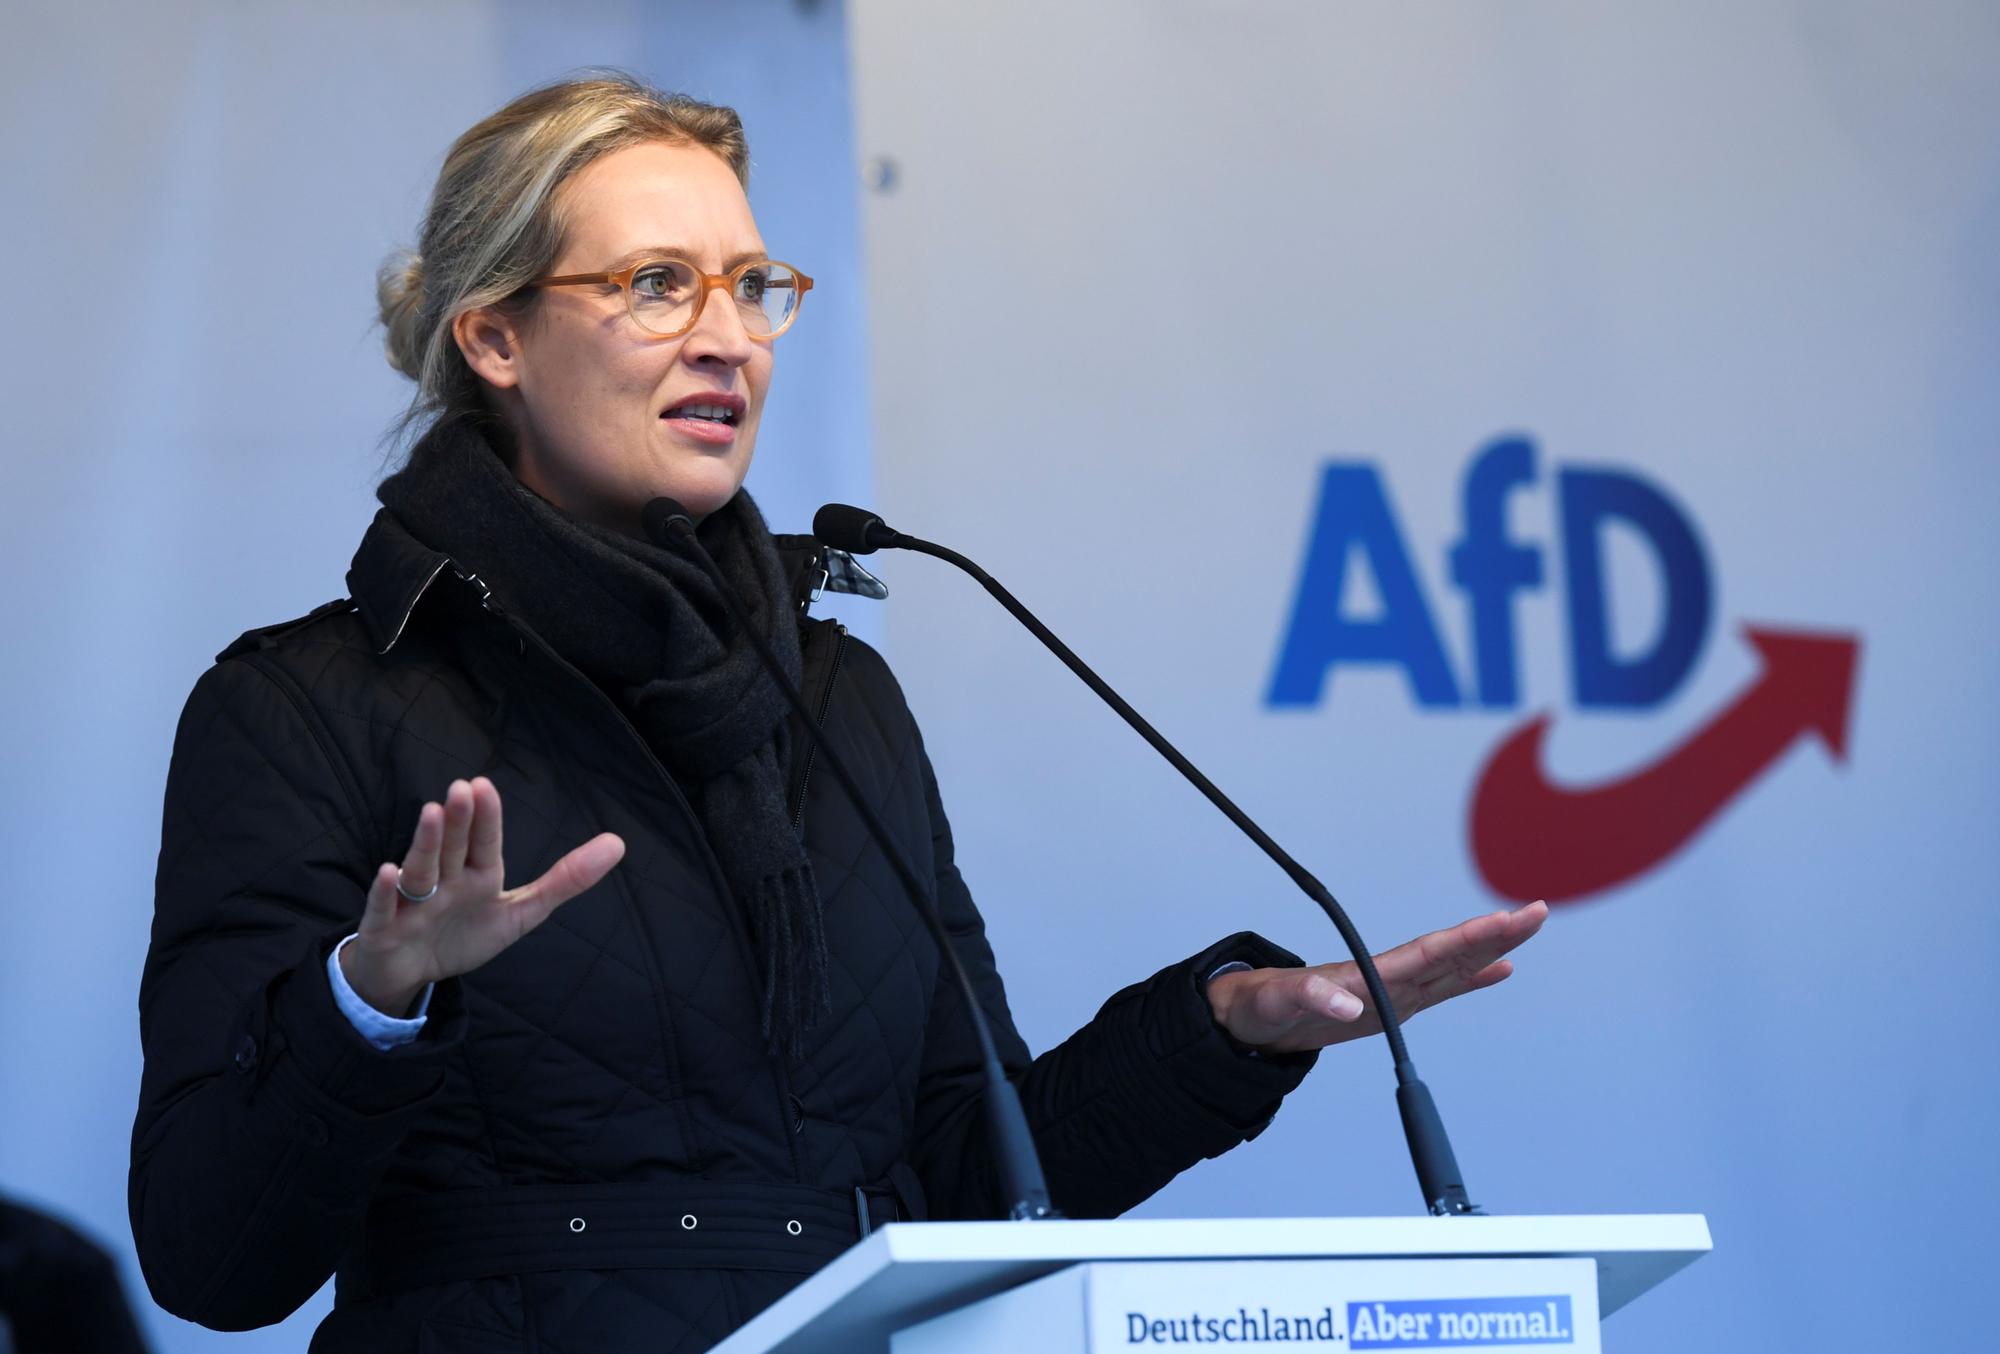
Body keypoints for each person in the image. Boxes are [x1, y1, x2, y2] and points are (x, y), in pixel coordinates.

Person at [128, 74, 1546, 1353]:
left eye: (753, 287)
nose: (728, 339)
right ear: (495, 335)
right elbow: (213, 1260)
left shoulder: (833, 692)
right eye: (659, 284)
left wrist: (1227, 1030)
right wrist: (371, 1003)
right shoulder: (310, 704)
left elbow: (971, 1173)